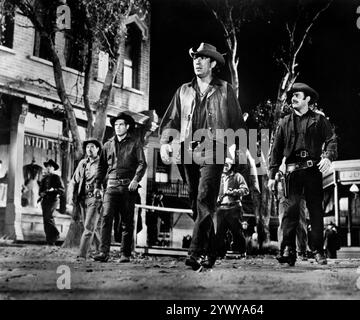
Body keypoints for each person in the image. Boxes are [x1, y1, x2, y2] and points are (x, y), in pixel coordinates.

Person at [159, 42, 245, 270]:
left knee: (205, 199)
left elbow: (237, 123)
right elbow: (171, 120)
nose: (197, 61)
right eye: (195, 57)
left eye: (203, 58)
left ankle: (195, 253)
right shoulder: (183, 90)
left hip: (214, 148)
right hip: (187, 151)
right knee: (196, 206)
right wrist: (165, 143)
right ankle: (213, 247)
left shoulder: (225, 89)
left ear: (213, 63)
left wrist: (236, 151)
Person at [268, 82, 337, 266]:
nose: (293, 98)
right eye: (292, 96)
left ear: (307, 99)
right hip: (292, 173)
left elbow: (331, 140)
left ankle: (317, 251)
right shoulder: (284, 122)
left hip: (313, 170)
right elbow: (276, 150)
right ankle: (288, 250)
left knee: (315, 211)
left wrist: (328, 157)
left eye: (297, 95)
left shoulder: (319, 120)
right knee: (291, 211)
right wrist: (272, 175)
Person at [93, 112, 147, 263]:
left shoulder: (135, 143)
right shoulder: (107, 145)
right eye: (116, 125)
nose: (118, 127)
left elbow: (143, 163)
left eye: (121, 124)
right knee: (106, 217)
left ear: (127, 126)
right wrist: (97, 185)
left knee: (126, 221)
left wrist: (136, 179)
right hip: (110, 187)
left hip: (128, 188)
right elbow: (101, 166)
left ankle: (125, 254)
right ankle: (103, 253)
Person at [70, 138, 103, 260]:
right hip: (83, 198)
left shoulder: (102, 163)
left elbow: (106, 179)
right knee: (90, 226)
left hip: (96, 198)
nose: (89, 149)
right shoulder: (83, 163)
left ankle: (82, 255)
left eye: (92, 147)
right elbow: (75, 180)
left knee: (89, 227)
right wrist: (72, 196)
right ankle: (102, 251)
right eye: (87, 147)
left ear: (98, 149)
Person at [216, 158, 249, 258]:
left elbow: (246, 190)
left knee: (237, 231)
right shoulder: (218, 177)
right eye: (223, 164)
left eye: (227, 164)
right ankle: (220, 254)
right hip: (221, 208)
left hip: (234, 208)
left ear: (231, 165)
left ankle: (242, 252)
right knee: (220, 232)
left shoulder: (237, 176)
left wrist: (234, 192)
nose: (225, 166)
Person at [39, 159, 64, 245]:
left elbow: (62, 190)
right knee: (45, 219)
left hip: (53, 200)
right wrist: (41, 193)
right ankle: (49, 239)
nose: (48, 168)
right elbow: (40, 191)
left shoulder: (57, 178)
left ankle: (55, 234)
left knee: (48, 217)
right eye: (47, 167)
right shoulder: (44, 179)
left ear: (53, 168)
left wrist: (54, 189)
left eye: (50, 167)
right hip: (45, 200)